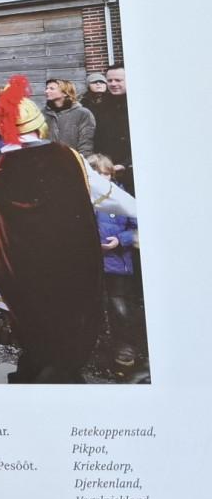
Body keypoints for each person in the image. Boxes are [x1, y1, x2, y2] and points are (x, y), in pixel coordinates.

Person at [0, 76, 137, 383]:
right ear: (38, 125)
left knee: (32, 326)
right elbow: (107, 195)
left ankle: (35, 369)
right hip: (65, 262)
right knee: (64, 328)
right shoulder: (65, 157)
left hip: (18, 268)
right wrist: (143, 216)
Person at [87, 153, 144, 375]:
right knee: (91, 307)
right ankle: (93, 348)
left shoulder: (121, 198)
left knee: (119, 308)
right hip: (90, 263)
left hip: (117, 263)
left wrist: (120, 240)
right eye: (99, 174)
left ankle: (125, 350)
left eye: (107, 174)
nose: (104, 178)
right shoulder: (83, 197)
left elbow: (138, 225)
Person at [93, 64, 133, 191]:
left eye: (118, 80)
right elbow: (98, 138)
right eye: (109, 80)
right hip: (108, 168)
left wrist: (126, 164)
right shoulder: (100, 106)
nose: (113, 84)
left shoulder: (140, 103)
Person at [43, 78, 95, 155]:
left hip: (73, 161)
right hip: (49, 161)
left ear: (65, 93)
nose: (46, 91)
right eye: (46, 88)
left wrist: (82, 161)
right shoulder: (42, 114)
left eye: (52, 89)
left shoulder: (82, 113)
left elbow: (86, 143)